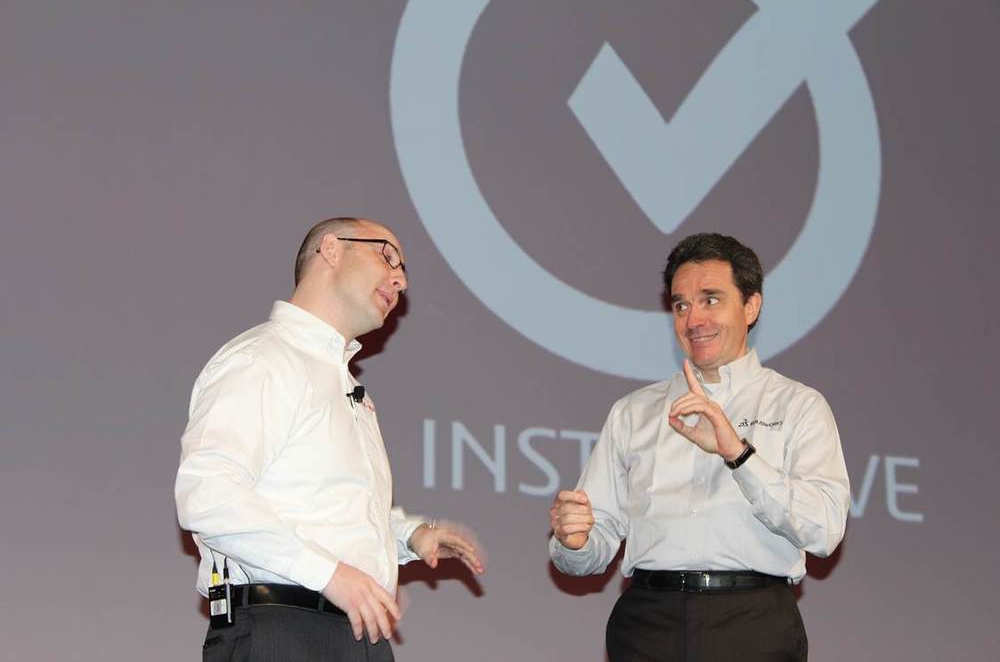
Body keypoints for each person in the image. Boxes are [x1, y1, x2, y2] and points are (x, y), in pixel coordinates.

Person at [176, 217, 484, 661]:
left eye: (404, 272)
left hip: (357, 634)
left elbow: (324, 507)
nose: (400, 280)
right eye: (388, 256)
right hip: (283, 631)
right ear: (332, 249)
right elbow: (209, 493)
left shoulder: (346, 386)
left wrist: (409, 536)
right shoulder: (263, 358)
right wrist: (330, 576)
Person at [549, 233, 849, 661]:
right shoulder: (634, 412)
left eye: (711, 300)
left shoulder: (798, 405)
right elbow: (593, 547)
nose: (693, 320)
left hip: (754, 622)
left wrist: (739, 455)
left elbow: (824, 530)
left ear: (751, 306)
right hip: (648, 623)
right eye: (681, 306)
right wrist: (574, 542)